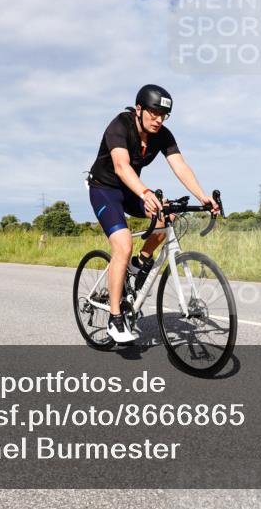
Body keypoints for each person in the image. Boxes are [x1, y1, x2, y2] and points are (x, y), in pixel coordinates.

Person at [87, 84, 219, 343]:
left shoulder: (162, 135)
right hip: (104, 189)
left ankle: (140, 263)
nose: (159, 120)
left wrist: (202, 196)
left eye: (163, 115)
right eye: (154, 113)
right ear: (139, 109)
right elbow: (121, 167)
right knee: (123, 244)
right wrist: (145, 193)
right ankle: (115, 318)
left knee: (166, 216)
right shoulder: (120, 125)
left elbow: (180, 166)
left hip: (130, 190)